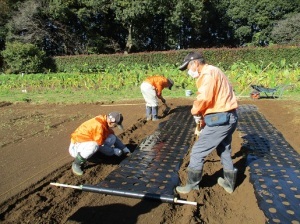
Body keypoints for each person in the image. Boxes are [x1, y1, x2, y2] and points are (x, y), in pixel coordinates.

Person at [176, 52, 239, 194]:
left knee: (198, 151)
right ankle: (229, 183)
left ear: (195, 63)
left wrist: (195, 112)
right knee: (224, 149)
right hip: (229, 116)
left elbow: (204, 98)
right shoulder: (215, 70)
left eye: (187, 68)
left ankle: (192, 186)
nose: (188, 71)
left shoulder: (207, 74)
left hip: (221, 119)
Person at [68, 111, 131, 176]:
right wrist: (113, 151)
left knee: (112, 137)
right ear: (111, 122)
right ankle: (77, 164)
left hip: (86, 143)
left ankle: (93, 154)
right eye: (115, 125)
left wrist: (124, 148)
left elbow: (113, 136)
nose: (115, 127)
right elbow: (100, 144)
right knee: (94, 145)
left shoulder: (104, 122)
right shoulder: (99, 125)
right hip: (76, 147)